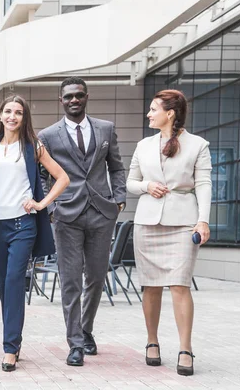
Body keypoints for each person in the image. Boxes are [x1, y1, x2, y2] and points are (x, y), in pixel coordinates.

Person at [0, 95, 70, 372]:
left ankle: (9, 348)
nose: (12, 116)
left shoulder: (33, 147)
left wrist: (41, 204)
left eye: (18, 112)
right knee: (4, 286)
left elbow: (62, 178)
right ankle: (15, 339)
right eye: (8, 111)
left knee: (14, 280)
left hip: (22, 225)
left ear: (24, 118)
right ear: (0, 116)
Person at [38, 77, 127, 366]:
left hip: (102, 212)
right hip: (66, 215)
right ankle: (75, 342)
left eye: (78, 95)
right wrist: (51, 206)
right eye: (68, 97)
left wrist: (119, 199)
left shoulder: (105, 129)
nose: (73, 100)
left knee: (97, 277)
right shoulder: (48, 135)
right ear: (61, 101)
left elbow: (116, 166)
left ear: (86, 97)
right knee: (71, 280)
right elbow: (41, 177)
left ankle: (86, 328)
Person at [127, 89, 211, 376]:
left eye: (153, 109)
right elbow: (130, 182)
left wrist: (203, 220)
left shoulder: (198, 145)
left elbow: (203, 184)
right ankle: (152, 341)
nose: (149, 114)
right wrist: (146, 186)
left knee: (179, 285)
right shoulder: (143, 145)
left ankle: (185, 348)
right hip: (148, 223)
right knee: (150, 286)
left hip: (183, 223)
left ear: (170, 113)